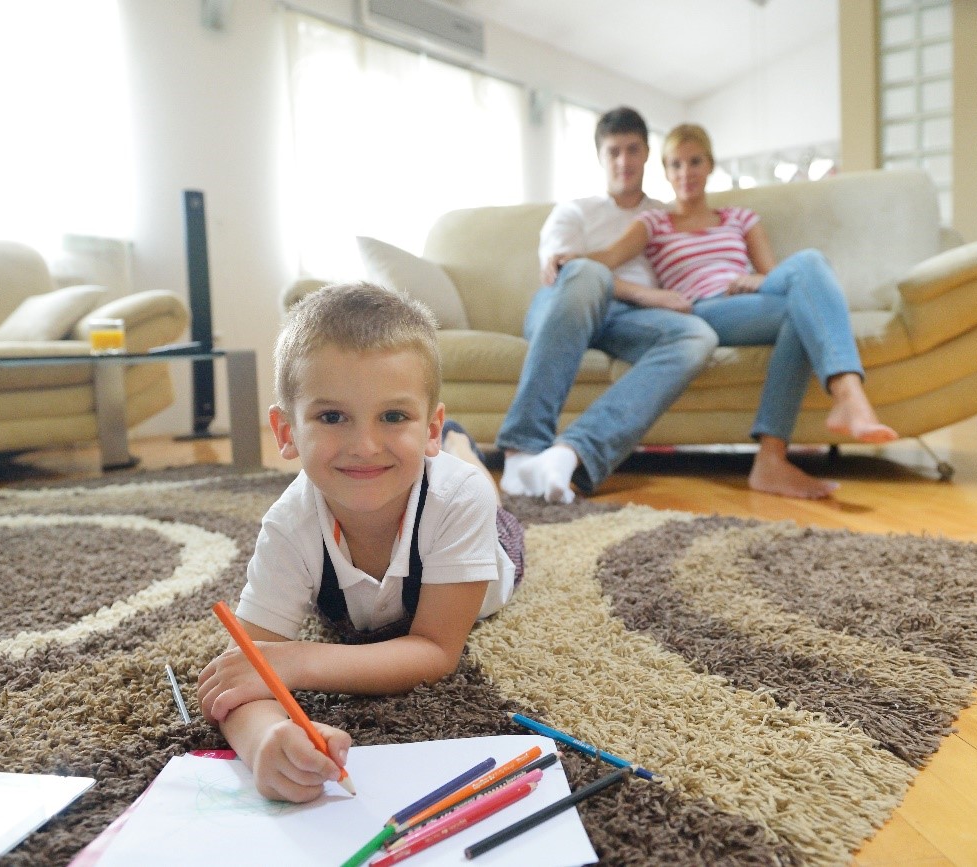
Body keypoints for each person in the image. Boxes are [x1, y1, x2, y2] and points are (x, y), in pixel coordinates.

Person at [196, 282, 524, 802]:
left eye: (394, 417)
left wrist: (296, 660)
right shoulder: (288, 525)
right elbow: (243, 672)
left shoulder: (459, 502)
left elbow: (436, 650)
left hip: (484, 540)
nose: (365, 446)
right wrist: (265, 742)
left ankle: (460, 447)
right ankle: (451, 444)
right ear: (285, 432)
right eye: (332, 417)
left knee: (482, 485)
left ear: (428, 425)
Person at [575, 123, 898, 499]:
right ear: (666, 172)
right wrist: (568, 259)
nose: (686, 173)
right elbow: (609, 258)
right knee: (809, 271)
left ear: (709, 165)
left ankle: (773, 460)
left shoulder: (740, 218)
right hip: (706, 309)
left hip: (753, 297)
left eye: (694, 162)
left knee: (808, 275)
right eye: (676, 165)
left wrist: (758, 280)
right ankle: (848, 397)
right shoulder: (655, 222)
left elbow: (775, 275)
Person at [495, 106, 718, 504]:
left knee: (698, 336)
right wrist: (646, 294)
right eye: (614, 151)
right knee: (588, 273)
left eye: (633, 150)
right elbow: (564, 272)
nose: (624, 161)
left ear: (648, 153)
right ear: (600, 157)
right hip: (567, 310)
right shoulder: (575, 211)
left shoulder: (663, 217)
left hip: (628, 322)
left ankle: (571, 455)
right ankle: (522, 451)